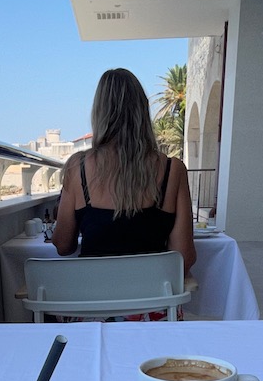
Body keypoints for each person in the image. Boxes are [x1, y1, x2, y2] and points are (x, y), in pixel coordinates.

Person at [51, 69, 195, 318]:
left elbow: (63, 246)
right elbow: (183, 259)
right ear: (142, 110)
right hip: (152, 316)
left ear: (99, 112)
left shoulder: (78, 168)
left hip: (91, 316)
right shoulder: (173, 169)